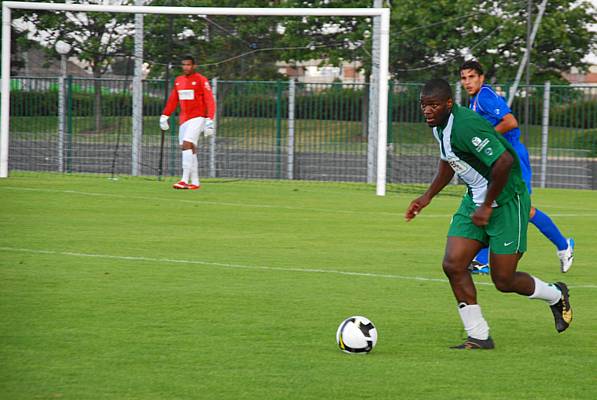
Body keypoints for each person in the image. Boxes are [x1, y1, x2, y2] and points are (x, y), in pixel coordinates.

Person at [405, 78, 572, 349]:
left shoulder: (466, 125)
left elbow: (504, 162)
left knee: (503, 280)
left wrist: (487, 206)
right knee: (453, 264)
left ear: (449, 103)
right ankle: (478, 335)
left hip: (507, 201)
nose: (427, 110)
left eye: (433, 105)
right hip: (473, 201)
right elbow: (450, 160)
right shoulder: (438, 125)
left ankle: (555, 295)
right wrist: (426, 197)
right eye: (424, 105)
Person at [459, 60, 574, 274]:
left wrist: (488, 139)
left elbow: (510, 121)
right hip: (499, 160)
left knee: (519, 209)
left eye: (471, 76)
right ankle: (483, 260)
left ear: (481, 78)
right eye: (464, 78)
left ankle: (563, 245)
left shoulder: (485, 96)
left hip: (513, 160)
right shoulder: (474, 102)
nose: (467, 82)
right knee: (493, 204)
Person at [160, 56, 215, 190]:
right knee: (189, 147)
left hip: (198, 117)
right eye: (184, 65)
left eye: (188, 65)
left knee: (186, 144)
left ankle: (184, 180)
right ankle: (195, 182)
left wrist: (210, 120)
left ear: (194, 66)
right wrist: (165, 115)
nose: (186, 67)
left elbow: (209, 100)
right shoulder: (179, 81)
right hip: (184, 119)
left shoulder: (201, 80)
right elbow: (174, 99)